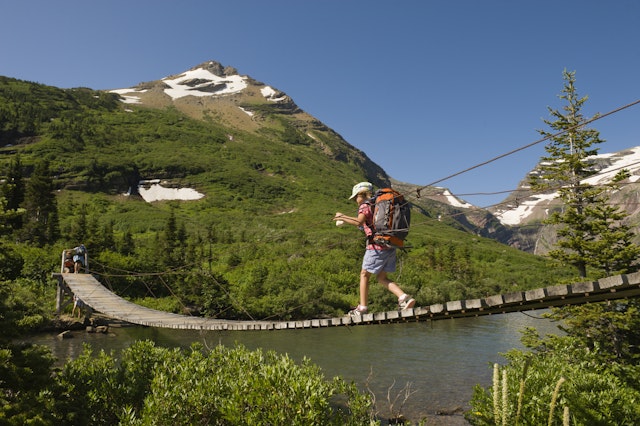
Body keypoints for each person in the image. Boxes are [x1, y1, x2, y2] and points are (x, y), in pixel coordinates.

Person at [334, 182, 415, 316]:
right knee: (382, 278)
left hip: (375, 247)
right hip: (389, 245)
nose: (355, 201)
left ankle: (362, 308)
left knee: (364, 274)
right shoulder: (376, 205)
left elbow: (359, 221)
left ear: (362, 194)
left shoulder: (365, 206)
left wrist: (342, 216)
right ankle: (404, 298)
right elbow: (365, 225)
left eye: (356, 198)